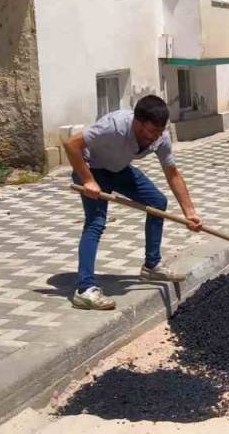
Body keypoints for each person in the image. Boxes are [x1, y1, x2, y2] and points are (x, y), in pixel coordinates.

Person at [63, 95, 203, 310]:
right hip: (91, 168)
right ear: (137, 123)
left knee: (157, 202)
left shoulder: (161, 136)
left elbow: (172, 173)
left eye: (159, 131)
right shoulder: (114, 126)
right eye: (150, 131)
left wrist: (189, 212)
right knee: (96, 223)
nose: (154, 137)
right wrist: (89, 181)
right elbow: (72, 144)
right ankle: (85, 289)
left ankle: (151, 266)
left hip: (119, 169)